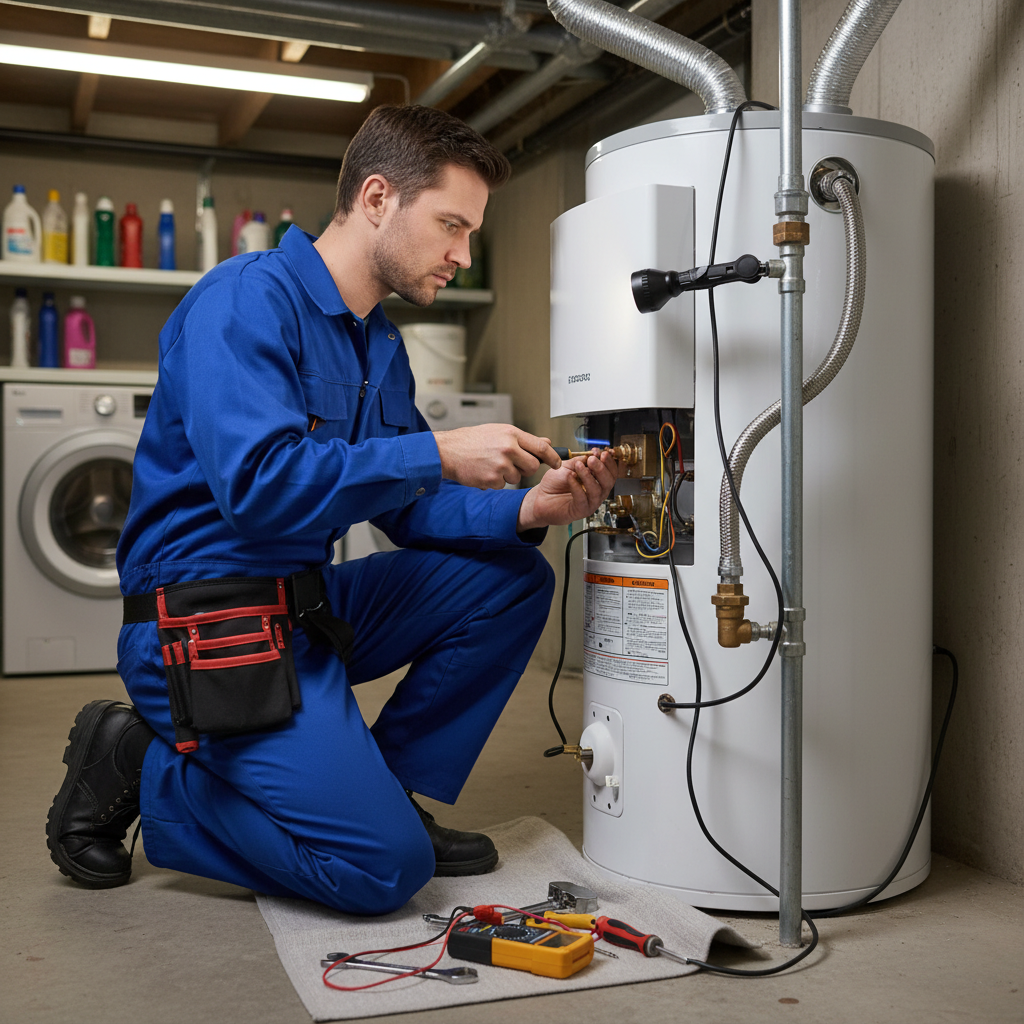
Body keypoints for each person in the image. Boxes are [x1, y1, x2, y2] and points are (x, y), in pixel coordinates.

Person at [46, 105, 617, 914]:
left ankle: (390, 796)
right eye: (451, 225)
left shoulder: (377, 343)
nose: (462, 254)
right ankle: (144, 764)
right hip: (208, 629)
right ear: (378, 197)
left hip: (304, 612)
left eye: (471, 233)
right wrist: (440, 449)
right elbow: (258, 490)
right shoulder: (243, 303)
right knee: (381, 873)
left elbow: (413, 511)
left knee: (511, 579)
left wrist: (529, 507)